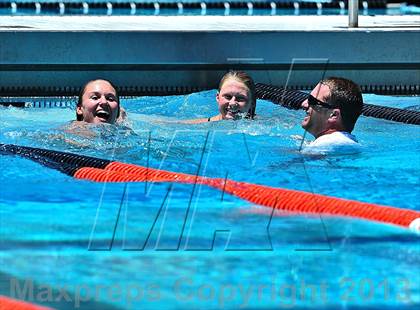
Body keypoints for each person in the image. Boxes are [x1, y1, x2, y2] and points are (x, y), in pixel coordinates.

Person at [300, 77, 363, 150]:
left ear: (334, 115)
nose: (304, 104)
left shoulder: (325, 145)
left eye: (312, 101)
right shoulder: (345, 141)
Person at [185, 70, 256, 124]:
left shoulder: (261, 126)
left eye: (240, 98)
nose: (232, 103)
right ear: (217, 97)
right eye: (228, 96)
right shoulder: (198, 125)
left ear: (252, 103)